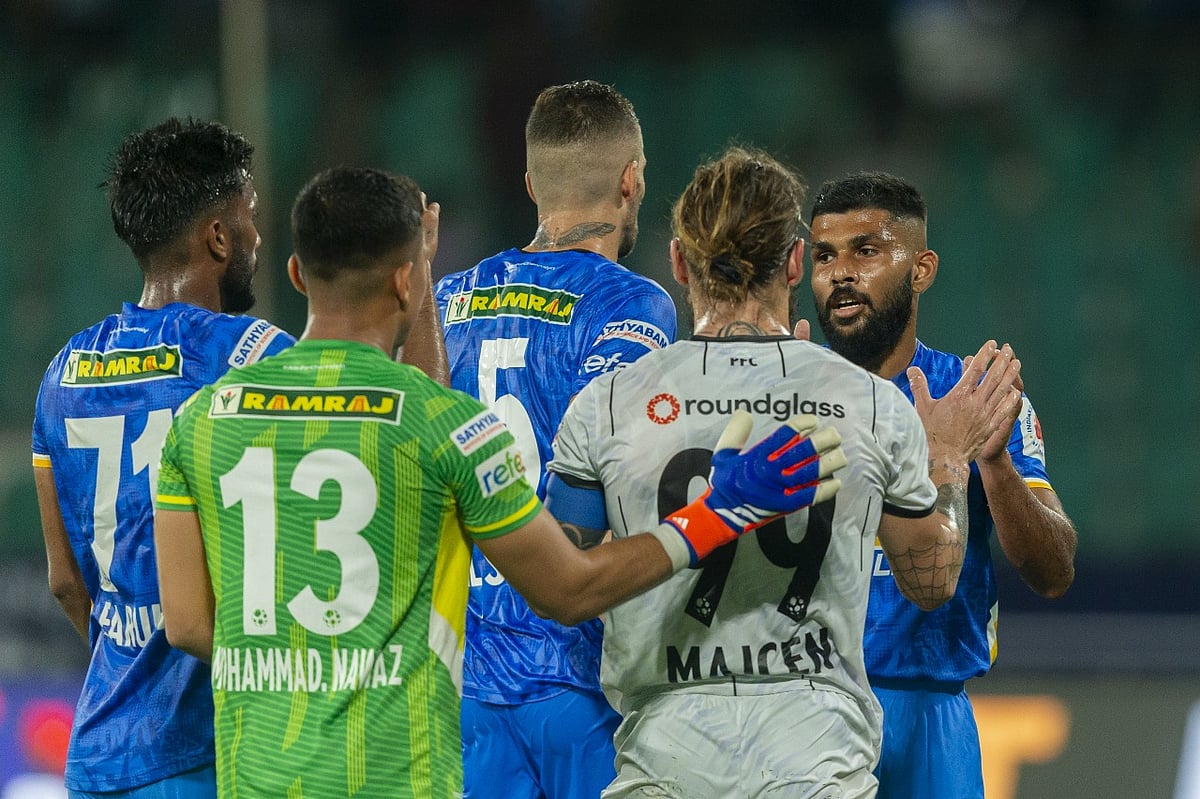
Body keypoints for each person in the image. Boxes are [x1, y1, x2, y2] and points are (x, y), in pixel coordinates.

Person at [151, 166, 844, 799]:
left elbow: (185, 622)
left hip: (259, 776)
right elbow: (569, 588)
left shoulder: (200, 418)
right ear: (407, 280)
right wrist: (718, 510)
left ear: (298, 274)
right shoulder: (448, 427)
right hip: (399, 774)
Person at [543, 146, 1023, 798]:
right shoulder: (870, 403)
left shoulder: (609, 402)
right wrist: (948, 459)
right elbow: (932, 583)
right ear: (797, 260)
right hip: (814, 765)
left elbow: (562, 590)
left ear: (679, 262)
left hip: (664, 761)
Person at [30, 118, 295, 798]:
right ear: (217, 236)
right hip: (205, 754)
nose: (257, 238)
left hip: (98, 753)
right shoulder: (253, 357)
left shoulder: (62, 374)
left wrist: (130, 649)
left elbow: (64, 581)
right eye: (250, 219)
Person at [433, 80, 677, 798]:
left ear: (533, 183)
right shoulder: (633, 302)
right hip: (579, 679)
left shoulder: (445, 301)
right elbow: (611, 464)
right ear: (632, 181)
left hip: (467, 688)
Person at [807, 171, 1078, 799]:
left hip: (933, 718)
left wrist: (995, 464)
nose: (840, 272)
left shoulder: (976, 397)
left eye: (865, 251)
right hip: (805, 702)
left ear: (921, 268)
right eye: (824, 256)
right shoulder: (781, 395)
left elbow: (1055, 569)